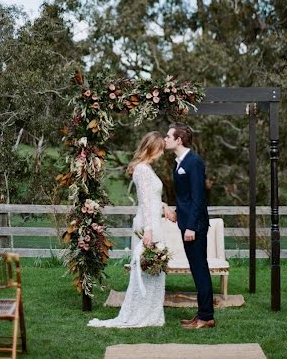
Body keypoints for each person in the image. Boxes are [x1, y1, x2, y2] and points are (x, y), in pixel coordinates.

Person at [88, 131, 167, 328]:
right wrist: (148, 230)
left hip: (154, 221)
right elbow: (145, 201)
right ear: (152, 147)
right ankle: (141, 313)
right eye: (160, 149)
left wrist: (164, 206)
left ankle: (152, 313)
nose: (162, 153)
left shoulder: (147, 168)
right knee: (146, 267)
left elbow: (153, 198)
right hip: (148, 225)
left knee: (154, 269)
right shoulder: (141, 169)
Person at [164, 123, 215, 329]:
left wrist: (192, 226)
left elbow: (199, 198)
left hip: (195, 226)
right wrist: (178, 213)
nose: (165, 139)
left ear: (179, 140)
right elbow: (185, 197)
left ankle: (206, 317)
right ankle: (202, 314)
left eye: (168, 136)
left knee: (200, 269)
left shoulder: (193, 162)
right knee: (197, 269)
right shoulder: (179, 162)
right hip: (186, 222)